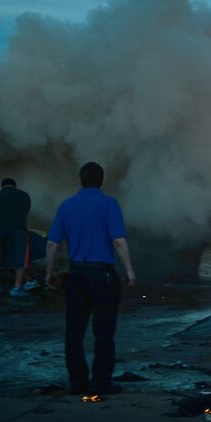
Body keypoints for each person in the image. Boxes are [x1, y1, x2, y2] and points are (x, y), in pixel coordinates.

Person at [46, 162, 136, 395]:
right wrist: (129, 270)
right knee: (104, 332)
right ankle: (101, 381)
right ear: (102, 180)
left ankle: (77, 380)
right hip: (102, 276)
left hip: (75, 275)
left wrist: (49, 272)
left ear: (80, 180)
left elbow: (52, 242)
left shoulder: (66, 206)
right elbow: (118, 240)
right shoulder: (109, 204)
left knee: (74, 331)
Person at [0, 178, 33, 297]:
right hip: (17, 227)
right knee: (20, 256)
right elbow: (25, 212)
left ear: (2, 187)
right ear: (14, 186)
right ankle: (16, 288)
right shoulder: (23, 195)